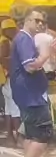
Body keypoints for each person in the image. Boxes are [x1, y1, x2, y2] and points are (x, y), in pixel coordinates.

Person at [10, 7, 55, 157]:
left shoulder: (26, 39)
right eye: (36, 20)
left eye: (42, 21)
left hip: (29, 94)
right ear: (27, 20)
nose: (40, 24)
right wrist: (45, 55)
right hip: (31, 95)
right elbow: (29, 66)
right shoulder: (24, 39)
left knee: (31, 134)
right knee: (43, 133)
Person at [0, 18, 21, 146]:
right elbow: (3, 58)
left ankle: (10, 137)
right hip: (10, 78)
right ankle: (19, 138)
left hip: (5, 79)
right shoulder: (5, 41)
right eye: (12, 29)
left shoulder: (3, 39)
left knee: (9, 109)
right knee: (16, 109)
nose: (14, 31)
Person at [35, 13, 56, 81]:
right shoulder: (51, 38)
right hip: (49, 70)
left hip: (37, 71)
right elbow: (55, 58)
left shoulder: (31, 38)